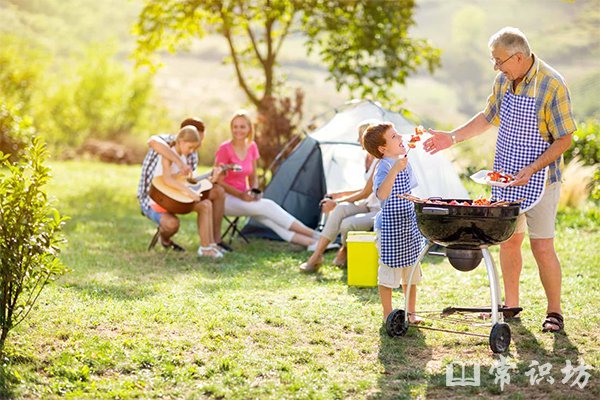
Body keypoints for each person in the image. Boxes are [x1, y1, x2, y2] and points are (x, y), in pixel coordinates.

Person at [423, 27, 576, 333]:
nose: (496, 67)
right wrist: (451, 138)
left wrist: (531, 169)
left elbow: (565, 139)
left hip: (541, 179)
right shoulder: (504, 80)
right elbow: (487, 117)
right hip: (505, 177)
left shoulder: (552, 84)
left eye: (499, 60)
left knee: (542, 247)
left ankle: (554, 312)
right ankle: (510, 305)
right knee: (508, 241)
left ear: (518, 57)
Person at [214, 110, 318, 247]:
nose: (238, 130)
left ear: (249, 128)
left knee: (268, 219)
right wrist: (240, 195)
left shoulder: (251, 147)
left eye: (242, 126)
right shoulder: (224, 149)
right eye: (235, 126)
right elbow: (217, 180)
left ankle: (312, 243)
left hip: (245, 198)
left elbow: (253, 176)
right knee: (268, 206)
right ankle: (316, 235)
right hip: (225, 200)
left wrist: (254, 190)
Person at [137, 118, 229, 257]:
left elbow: (189, 181)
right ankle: (170, 240)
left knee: (205, 205)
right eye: (190, 147)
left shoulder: (187, 156)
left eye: (195, 148)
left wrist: (212, 178)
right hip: (161, 200)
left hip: (176, 198)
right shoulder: (167, 154)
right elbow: (167, 179)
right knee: (174, 222)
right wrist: (189, 192)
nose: (193, 151)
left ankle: (207, 247)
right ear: (180, 141)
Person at [363, 122, 425, 324]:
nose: (400, 139)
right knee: (389, 273)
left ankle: (411, 312)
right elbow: (381, 194)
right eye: (394, 137)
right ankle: (388, 314)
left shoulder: (404, 162)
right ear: (382, 149)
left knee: (411, 273)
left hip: (408, 224)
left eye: (398, 135)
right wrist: (394, 170)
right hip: (390, 227)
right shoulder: (383, 167)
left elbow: (407, 191)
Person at [299, 121, 381, 273]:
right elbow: (366, 188)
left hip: (379, 210)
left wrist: (335, 202)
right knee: (341, 209)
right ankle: (316, 256)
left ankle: (344, 249)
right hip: (368, 204)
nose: (358, 141)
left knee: (346, 224)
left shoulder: (379, 160)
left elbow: (366, 192)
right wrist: (341, 195)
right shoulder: (367, 158)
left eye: (360, 137)